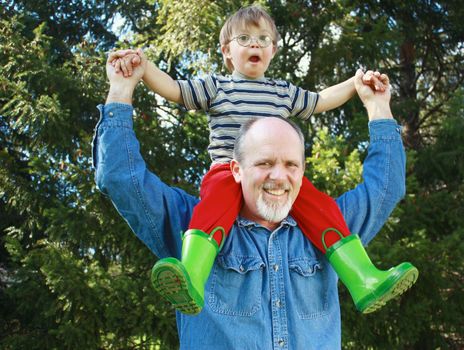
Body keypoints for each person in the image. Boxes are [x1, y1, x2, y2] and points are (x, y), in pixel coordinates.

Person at [107, 4, 418, 316]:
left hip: (279, 179)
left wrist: (355, 85)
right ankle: (192, 275)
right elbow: (174, 89)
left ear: (273, 50)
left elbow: (321, 100)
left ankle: (363, 279)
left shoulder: (282, 92)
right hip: (227, 170)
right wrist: (145, 70)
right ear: (226, 51)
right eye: (244, 38)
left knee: (322, 208)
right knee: (213, 208)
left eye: (263, 38)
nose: (254, 43)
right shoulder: (217, 87)